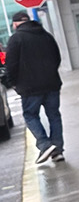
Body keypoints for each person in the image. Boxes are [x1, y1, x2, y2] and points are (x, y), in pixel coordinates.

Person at [2, 9, 64, 164]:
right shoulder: (46, 36)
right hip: (51, 84)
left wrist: (14, 83)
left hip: (29, 87)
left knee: (30, 116)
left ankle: (45, 144)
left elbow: (11, 65)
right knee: (54, 116)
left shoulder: (16, 39)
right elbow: (57, 57)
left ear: (16, 24)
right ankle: (58, 150)